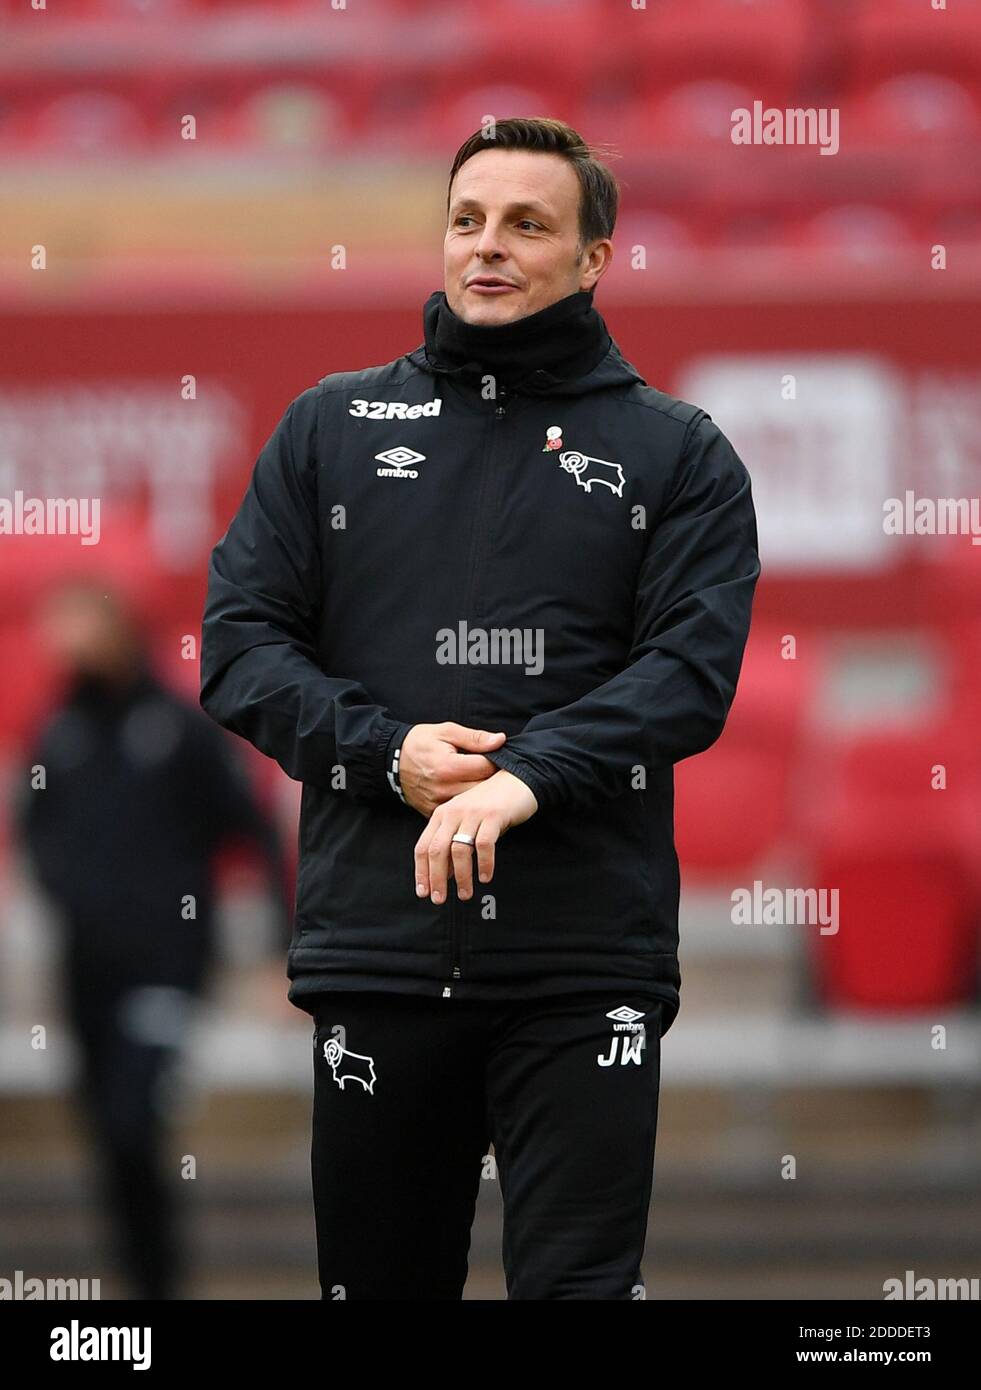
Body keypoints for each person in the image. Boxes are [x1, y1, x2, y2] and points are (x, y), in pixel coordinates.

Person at [199, 117, 761, 1300]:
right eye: (467, 220)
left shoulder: (680, 454)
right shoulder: (328, 429)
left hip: (582, 959)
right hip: (378, 954)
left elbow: (688, 674)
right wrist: (384, 750)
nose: (487, 246)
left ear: (595, 256)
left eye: (527, 224)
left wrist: (530, 774)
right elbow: (240, 646)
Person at [14, 578, 291, 1299]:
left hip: (166, 964)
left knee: (135, 1123)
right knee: (109, 1137)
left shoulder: (178, 727)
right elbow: (35, 827)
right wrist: (66, 891)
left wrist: (279, 946)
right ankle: (144, 1284)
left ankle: (160, 1281)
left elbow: (254, 830)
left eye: (78, 618)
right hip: (87, 969)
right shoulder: (63, 729)